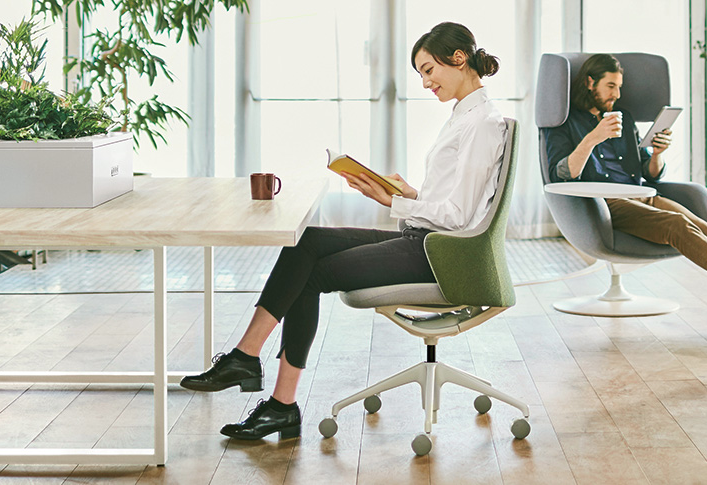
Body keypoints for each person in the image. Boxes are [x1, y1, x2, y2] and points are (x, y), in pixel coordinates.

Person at [179, 22, 507, 442]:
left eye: (429, 70)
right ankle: (246, 357)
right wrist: (408, 192)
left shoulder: (481, 123)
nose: (425, 82)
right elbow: (456, 200)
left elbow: (460, 218)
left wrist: (393, 202)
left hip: (440, 254)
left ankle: (280, 403)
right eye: (421, 74)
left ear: (458, 59)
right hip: (426, 238)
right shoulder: (466, 116)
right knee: (308, 241)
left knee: (312, 274)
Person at [542, 53, 707, 333]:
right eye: (610, 86)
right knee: (677, 225)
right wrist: (594, 137)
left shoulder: (625, 118)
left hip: (642, 193)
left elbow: (650, 172)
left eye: (619, 87)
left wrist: (657, 153)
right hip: (607, 204)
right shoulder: (565, 122)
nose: (616, 94)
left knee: (701, 226)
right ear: (589, 82)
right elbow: (562, 173)